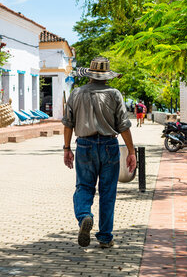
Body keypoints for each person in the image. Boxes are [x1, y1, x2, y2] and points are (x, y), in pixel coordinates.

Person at [62, 57, 136, 249]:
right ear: (106, 76)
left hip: (84, 145)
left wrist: (67, 148)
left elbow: (68, 123)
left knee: (84, 187)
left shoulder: (76, 93)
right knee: (107, 192)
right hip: (109, 145)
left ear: (90, 75)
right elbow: (123, 126)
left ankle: (85, 215)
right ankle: (104, 237)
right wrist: (131, 151)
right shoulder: (114, 94)